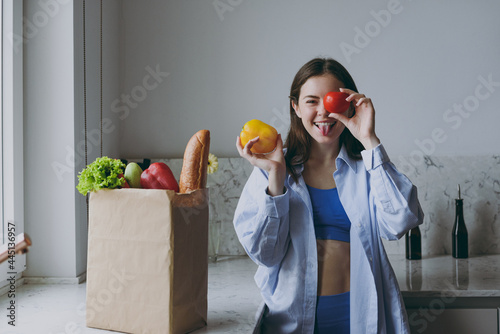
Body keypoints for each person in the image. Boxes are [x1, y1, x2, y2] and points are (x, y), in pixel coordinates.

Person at [233, 57, 424, 334]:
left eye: (332, 101)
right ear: (295, 107)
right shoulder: (273, 169)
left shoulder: (367, 167)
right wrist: (276, 178)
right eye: (311, 101)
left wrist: (369, 139)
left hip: (359, 316)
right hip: (293, 321)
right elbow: (265, 253)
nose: (323, 112)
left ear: (349, 105)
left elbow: (401, 221)